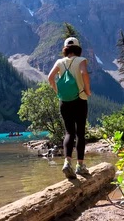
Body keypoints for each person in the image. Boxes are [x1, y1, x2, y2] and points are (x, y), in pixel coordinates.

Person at [48, 37, 92, 179]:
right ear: (78, 48)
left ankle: (67, 163)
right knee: (80, 133)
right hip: (80, 99)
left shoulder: (59, 62)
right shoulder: (81, 60)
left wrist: (58, 92)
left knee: (68, 133)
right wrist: (87, 90)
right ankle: (80, 166)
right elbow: (84, 73)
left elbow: (50, 77)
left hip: (64, 101)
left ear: (65, 48)